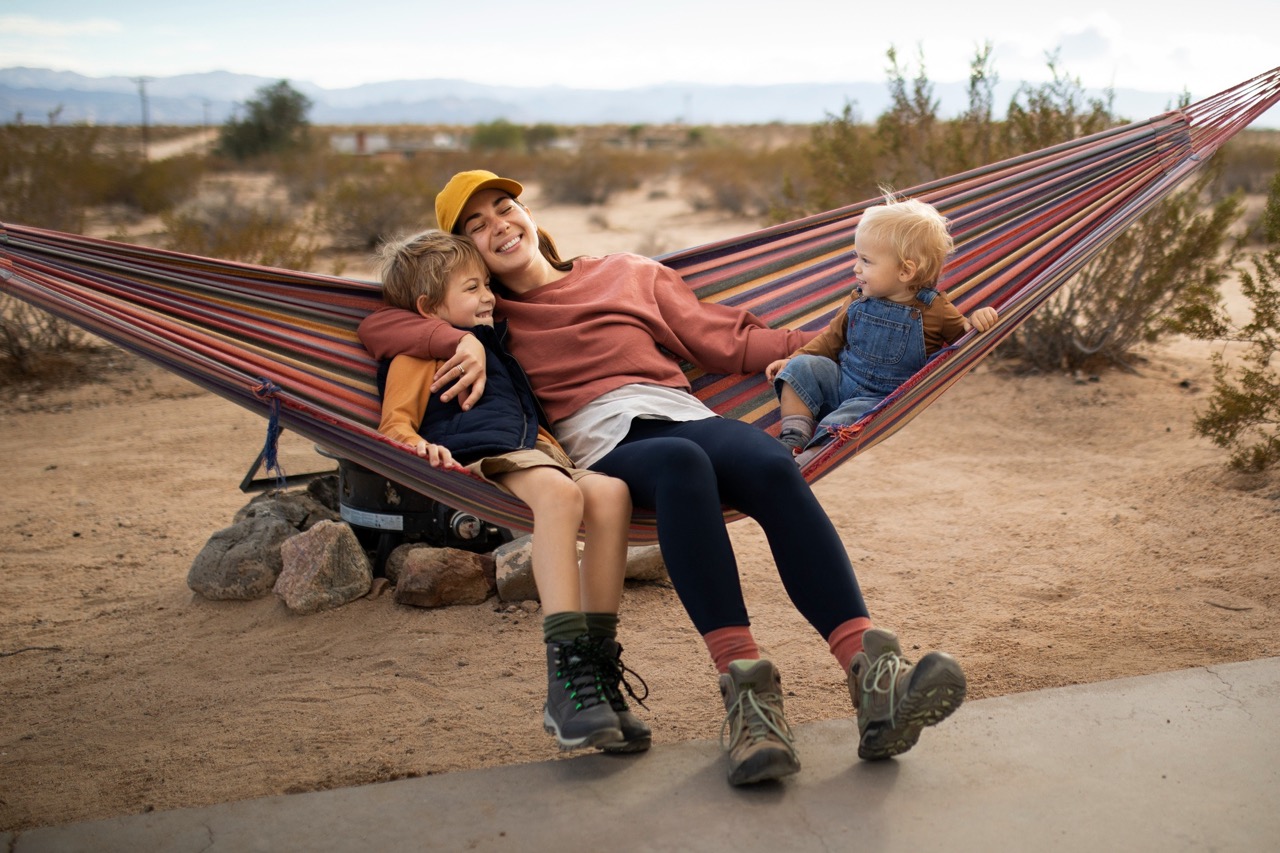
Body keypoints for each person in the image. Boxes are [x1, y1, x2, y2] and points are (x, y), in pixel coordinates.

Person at [359, 170, 968, 786]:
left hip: (683, 414)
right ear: (465, 255)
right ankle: (750, 702)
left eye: (504, 208)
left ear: (528, 214)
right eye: (476, 226)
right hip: (607, 444)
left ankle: (873, 678)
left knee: (768, 460)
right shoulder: (485, 315)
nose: (499, 226)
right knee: (682, 466)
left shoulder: (627, 272)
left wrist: (864, 346)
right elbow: (378, 324)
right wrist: (449, 337)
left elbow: (728, 340)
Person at [374, 228, 649, 755]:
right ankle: (566, 682)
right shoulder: (416, 353)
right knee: (561, 497)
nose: (488, 297)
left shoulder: (491, 339)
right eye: (473, 288)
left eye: (486, 286)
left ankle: (597, 666)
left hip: (539, 453)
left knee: (612, 493)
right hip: (480, 455)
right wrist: (419, 448)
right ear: (430, 307)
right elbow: (395, 425)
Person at [766, 192, 1000, 457]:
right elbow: (830, 339)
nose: (856, 268)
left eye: (865, 261)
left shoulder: (935, 310)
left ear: (905, 271)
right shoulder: (857, 298)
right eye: (857, 258)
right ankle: (793, 436)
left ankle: (810, 459)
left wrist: (977, 321)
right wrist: (795, 359)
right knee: (801, 368)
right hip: (841, 380)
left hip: (879, 401)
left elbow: (963, 343)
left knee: (846, 422)